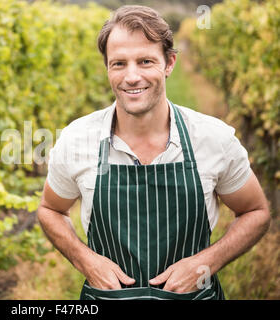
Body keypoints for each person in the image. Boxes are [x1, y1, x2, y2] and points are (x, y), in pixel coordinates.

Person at [37, 5, 271, 300]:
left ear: (169, 63)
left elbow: (255, 212)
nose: (131, 77)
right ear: (107, 67)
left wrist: (205, 263)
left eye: (145, 61)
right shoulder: (76, 140)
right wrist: (85, 260)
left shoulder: (213, 139)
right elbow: (50, 210)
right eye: (119, 64)